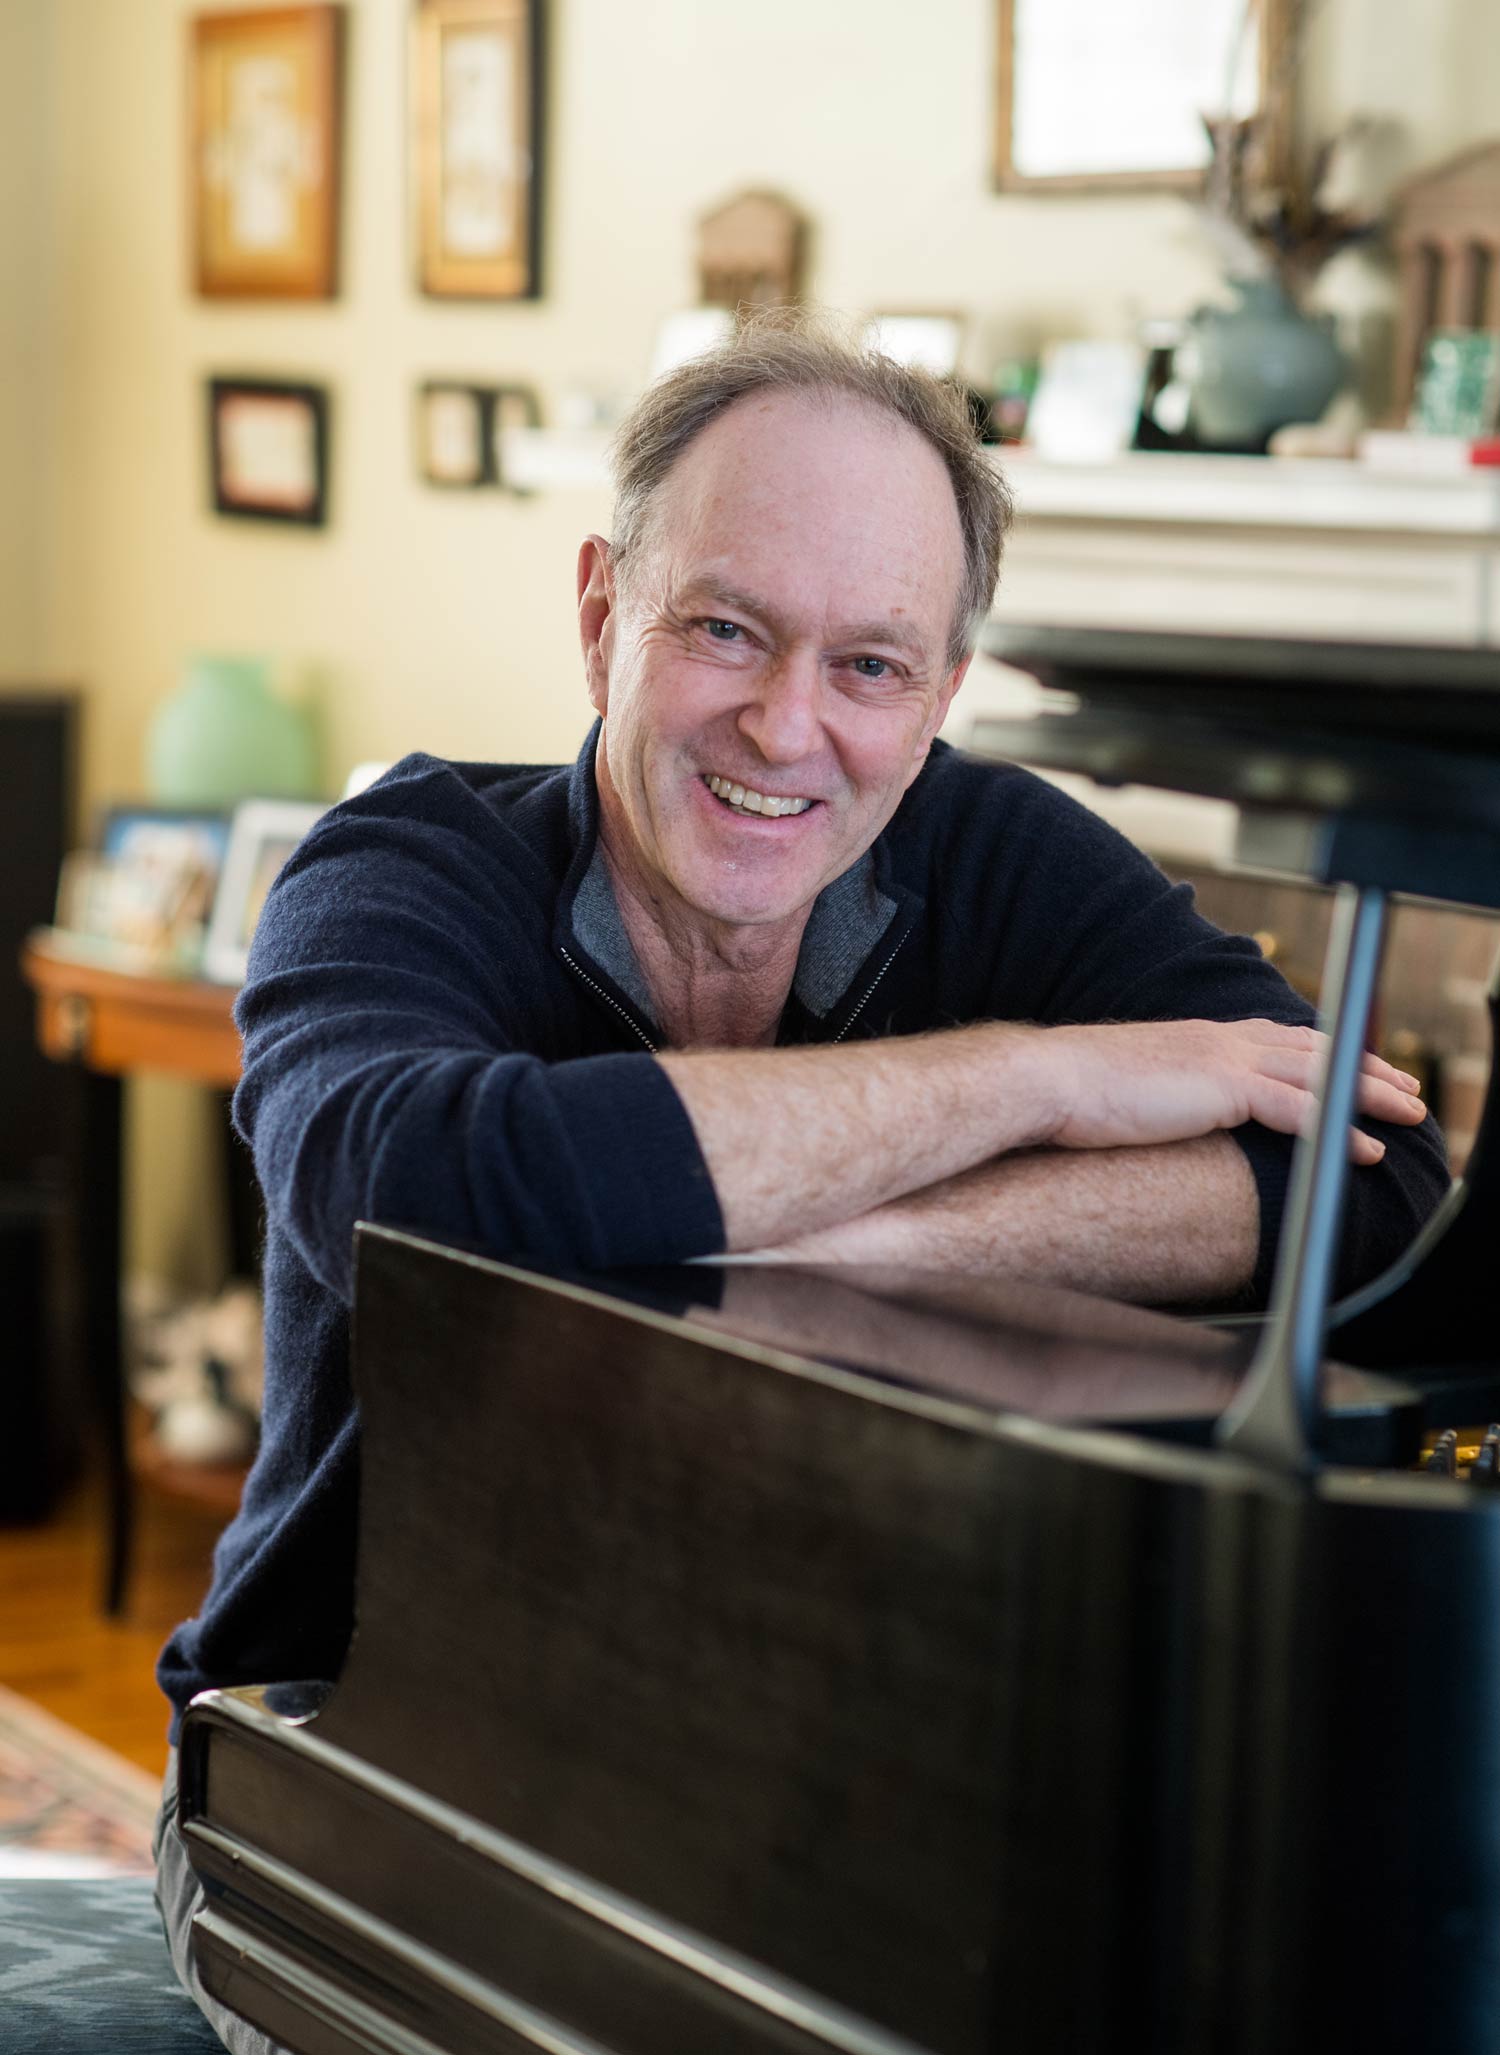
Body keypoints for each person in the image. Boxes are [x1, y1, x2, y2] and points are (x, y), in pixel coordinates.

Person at [153, 316, 1445, 2054]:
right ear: (605, 610)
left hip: (825, 1800)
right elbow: (426, 1195)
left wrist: (874, 1232)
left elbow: (1377, 1182)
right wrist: (1036, 1079)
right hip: (341, 1761)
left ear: (945, 689)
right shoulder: (398, 870)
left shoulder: (996, 852)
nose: (788, 725)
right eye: (726, 630)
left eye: (871, 666)